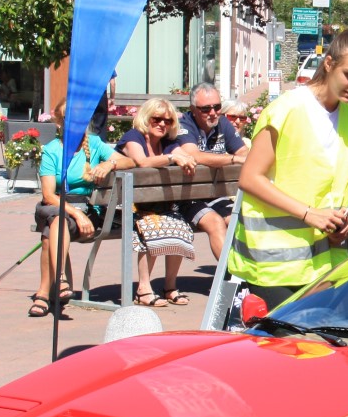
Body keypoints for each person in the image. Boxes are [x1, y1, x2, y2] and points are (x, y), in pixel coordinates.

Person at [227, 29, 348, 311]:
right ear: (328, 63)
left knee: (321, 346)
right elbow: (250, 177)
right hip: (275, 260)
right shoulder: (287, 109)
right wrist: (309, 214)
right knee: (289, 345)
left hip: (326, 258)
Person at [32, 96, 136, 317]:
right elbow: (49, 195)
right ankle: (58, 281)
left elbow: (130, 162)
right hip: (60, 206)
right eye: (68, 119)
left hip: (88, 210)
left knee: (49, 232)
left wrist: (109, 163)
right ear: (59, 122)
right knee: (56, 220)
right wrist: (77, 216)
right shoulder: (52, 150)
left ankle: (45, 292)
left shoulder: (95, 143)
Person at [117, 97, 200, 307]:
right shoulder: (133, 137)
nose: (162, 124)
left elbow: (183, 155)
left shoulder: (168, 142)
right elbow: (142, 162)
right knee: (153, 228)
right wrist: (172, 159)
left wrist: (184, 157)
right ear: (147, 118)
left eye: (168, 121)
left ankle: (170, 287)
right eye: (157, 119)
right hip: (126, 206)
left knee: (179, 226)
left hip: (156, 205)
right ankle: (143, 289)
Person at [171, 83, 248, 261]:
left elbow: (244, 151)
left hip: (215, 195)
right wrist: (233, 159)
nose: (213, 112)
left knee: (239, 220)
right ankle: (228, 277)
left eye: (217, 107)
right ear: (193, 109)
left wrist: (239, 156)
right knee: (215, 223)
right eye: (206, 109)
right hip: (186, 197)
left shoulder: (222, 123)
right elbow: (194, 155)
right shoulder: (184, 125)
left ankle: (246, 275)